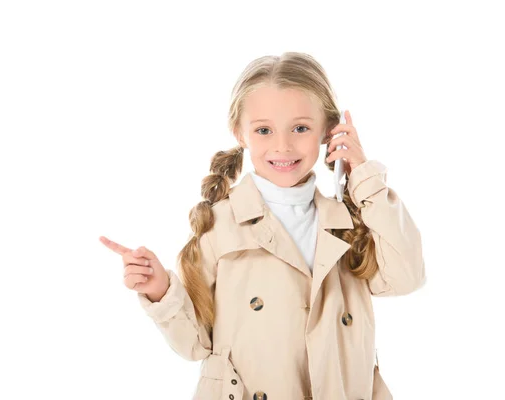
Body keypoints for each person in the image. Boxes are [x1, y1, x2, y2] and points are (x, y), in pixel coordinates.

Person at [100, 51, 426, 400]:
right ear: (240, 132)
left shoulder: (351, 221)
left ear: (329, 131)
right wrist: (160, 288)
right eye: (264, 130)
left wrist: (363, 176)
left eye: (300, 128)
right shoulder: (218, 225)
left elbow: (407, 276)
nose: (282, 146)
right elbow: (194, 344)